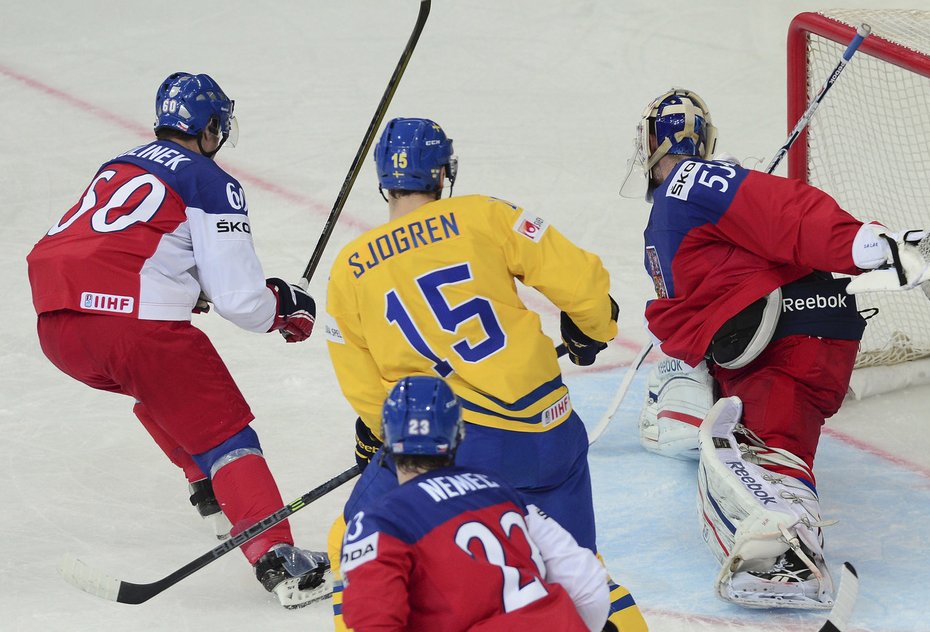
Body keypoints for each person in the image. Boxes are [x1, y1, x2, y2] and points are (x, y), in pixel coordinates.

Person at [624, 88, 930, 609]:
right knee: (742, 443)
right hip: (775, 338)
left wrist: (868, 246)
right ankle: (778, 539)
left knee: (771, 453)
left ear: (649, 141)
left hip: (792, 333)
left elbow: (787, 213)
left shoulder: (687, 183)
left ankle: (788, 553)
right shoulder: (680, 205)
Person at [325, 117, 646, 631]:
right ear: (445, 171)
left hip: (461, 443)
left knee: (353, 538)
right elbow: (582, 283)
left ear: (383, 179)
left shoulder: (349, 268)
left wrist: (384, 433)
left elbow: (364, 387)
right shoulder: (484, 214)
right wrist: (595, 325)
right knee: (574, 572)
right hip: (552, 436)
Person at [26, 71, 331, 608]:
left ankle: (210, 491)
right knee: (225, 430)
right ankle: (280, 563)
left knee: (161, 389)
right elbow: (241, 302)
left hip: (56, 324)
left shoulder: (120, 162)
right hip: (129, 330)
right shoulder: (209, 180)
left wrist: (178, 286)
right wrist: (283, 307)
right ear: (210, 126)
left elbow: (112, 246)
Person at [339, 375, 611, 631]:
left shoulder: (377, 522)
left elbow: (375, 620)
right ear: (459, 434)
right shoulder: (500, 491)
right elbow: (587, 583)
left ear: (385, 437)